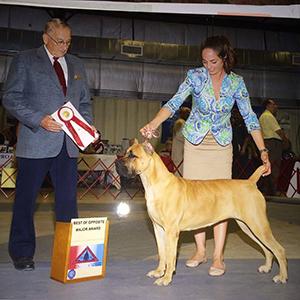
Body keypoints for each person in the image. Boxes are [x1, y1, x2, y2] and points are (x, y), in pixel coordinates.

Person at [140, 35, 271, 277]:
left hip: (221, 145)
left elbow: (250, 118)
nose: (207, 66)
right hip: (195, 142)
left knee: (222, 201)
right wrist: (153, 123)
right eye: (204, 61)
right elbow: (174, 102)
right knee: (195, 200)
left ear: (224, 59)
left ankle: (218, 257)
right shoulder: (195, 76)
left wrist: (263, 150)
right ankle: (200, 251)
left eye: (212, 61)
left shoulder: (236, 83)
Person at [2, 18, 95, 271]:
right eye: (59, 41)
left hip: (68, 145)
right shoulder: (25, 60)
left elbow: (84, 103)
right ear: (46, 38)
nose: (64, 46)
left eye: (68, 42)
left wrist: (86, 128)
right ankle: (22, 254)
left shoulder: (77, 65)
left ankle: (70, 255)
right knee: (26, 200)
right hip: (35, 142)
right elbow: (10, 97)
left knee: (68, 203)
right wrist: (39, 119)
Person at [259, 99, 289, 196]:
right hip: (272, 143)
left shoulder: (263, 116)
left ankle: (268, 191)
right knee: (274, 167)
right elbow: (279, 131)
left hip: (269, 143)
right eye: (274, 104)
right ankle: (271, 191)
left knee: (269, 167)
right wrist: (286, 141)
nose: (276, 106)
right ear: (268, 105)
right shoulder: (268, 116)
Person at [171, 106, 191, 176]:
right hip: (179, 150)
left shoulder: (183, 122)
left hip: (181, 150)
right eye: (187, 113)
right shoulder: (180, 122)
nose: (189, 115)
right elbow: (179, 135)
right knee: (179, 170)